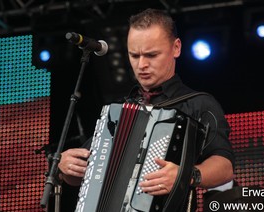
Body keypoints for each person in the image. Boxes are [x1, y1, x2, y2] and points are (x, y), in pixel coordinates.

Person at [58, 8, 234, 210]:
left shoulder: (199, 104)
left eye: (151, 55)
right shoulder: (118, 111)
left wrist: (185, 175)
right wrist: (65, 166)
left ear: (176, 48)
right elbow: (81, 176)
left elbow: (225, 167)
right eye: (134, 55)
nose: (141, 65)